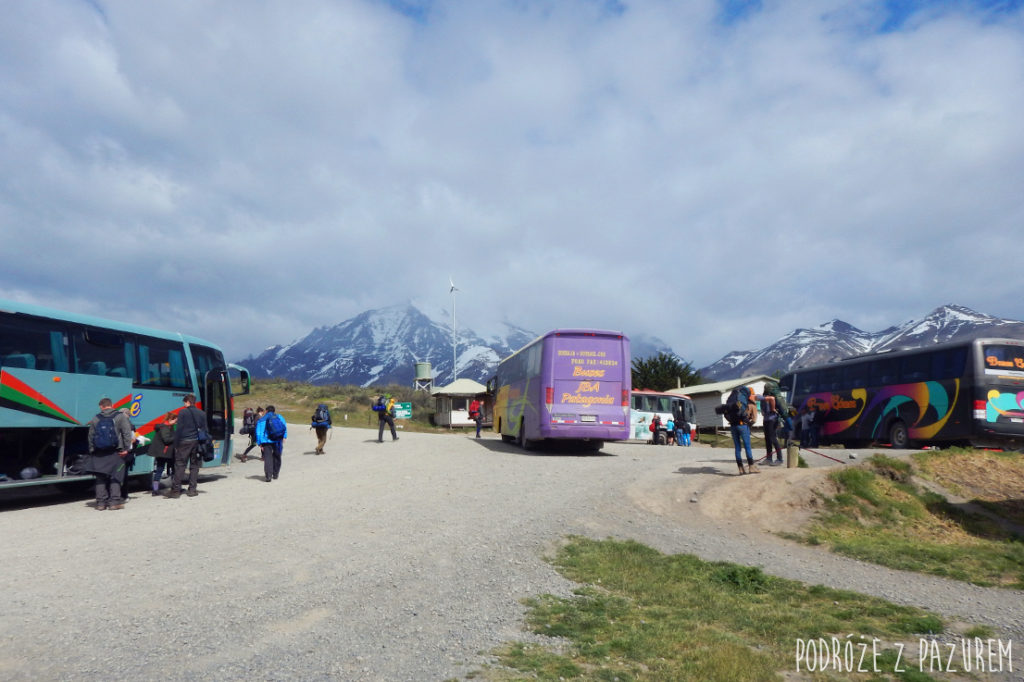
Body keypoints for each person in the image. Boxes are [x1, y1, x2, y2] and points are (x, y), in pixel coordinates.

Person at [86, 397, 134, 510]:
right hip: (117, 452)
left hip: (99, 452)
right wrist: (127, 449)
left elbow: (90, 436)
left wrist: (92, 450)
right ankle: (114, 502)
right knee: (115, 476)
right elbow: (127, 433)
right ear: (111, 405)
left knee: (100, 477)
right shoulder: (120, 416)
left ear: (101, 406)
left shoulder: (96, 418)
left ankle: (101, 503)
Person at [168, 393, 206, 499]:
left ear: (188, 402)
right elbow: (205, 430)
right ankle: (192, 490)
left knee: (180, 465)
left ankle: (176, 491)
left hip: (184, 442)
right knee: (194, 466)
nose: (184, 404)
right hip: (196, 443)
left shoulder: (183, 412)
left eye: (184, 402)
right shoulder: (202, 413)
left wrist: (176, 444)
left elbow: (179, 429)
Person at [728, 387, 759, 474]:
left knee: (737, 447)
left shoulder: (736, 402)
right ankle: (751, 467)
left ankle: (741, 469)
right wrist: (749, 424)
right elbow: (754, 419)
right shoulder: (751, 404)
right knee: (747, 446)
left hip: (733, 426)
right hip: (743, 426)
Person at [147, 411, 177, 496]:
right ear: (171, 419)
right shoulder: (165, 427)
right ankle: (175, 488)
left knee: (159, 471)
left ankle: (155, 490)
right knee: (173, 470)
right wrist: (176, 436)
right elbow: (166, 440)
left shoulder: (165, 426)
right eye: (175, 420)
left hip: (162, 453)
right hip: (166, 453)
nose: (176, 422)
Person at [257, 405, 287, 481]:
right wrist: (284, 437)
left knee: (268, 458)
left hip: (266, 441)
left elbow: (259, 432)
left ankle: (268, 476)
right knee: (277, 456)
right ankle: (275, 474)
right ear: (274, 411)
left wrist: (259, 442)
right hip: (278, 440)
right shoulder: (279, 417)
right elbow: (284, 427)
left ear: (266, 411)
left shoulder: (262, 419)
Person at [760, 390, 784, 465]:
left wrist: (772, 409)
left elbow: (764, 411)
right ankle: (769, 458)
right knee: (767, 439)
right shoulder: (763, 399)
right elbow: (763, 411)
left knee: (773, 438)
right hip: (767, 419)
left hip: (772, 420)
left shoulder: (771, 398)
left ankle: (779, 459)